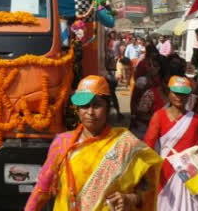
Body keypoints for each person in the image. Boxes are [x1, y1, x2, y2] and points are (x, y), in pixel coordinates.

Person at [25, 75, 161, 211]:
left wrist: (131, 198)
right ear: (77, 110)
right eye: (84, 106)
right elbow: (42, 188)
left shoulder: (125, 143)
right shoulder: (63, 143)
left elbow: (149, 183)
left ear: (107, 108)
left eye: (96, 105)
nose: (90, 112)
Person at [143, 76, 198, 210]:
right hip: (165, 171)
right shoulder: (159, 116)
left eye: (184, 94)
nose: (179, 97)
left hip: (190, 172)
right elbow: (148, 145)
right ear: (169, 93)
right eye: (176, 93)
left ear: (189, 95)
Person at [130, 56, 168, 139]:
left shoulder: (165, 82)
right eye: (149, 65)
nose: (152, 68)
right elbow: (134, 99)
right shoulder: (141, 81)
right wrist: (133, 115)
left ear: (160, 68)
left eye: (155, 66)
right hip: (143, 122)